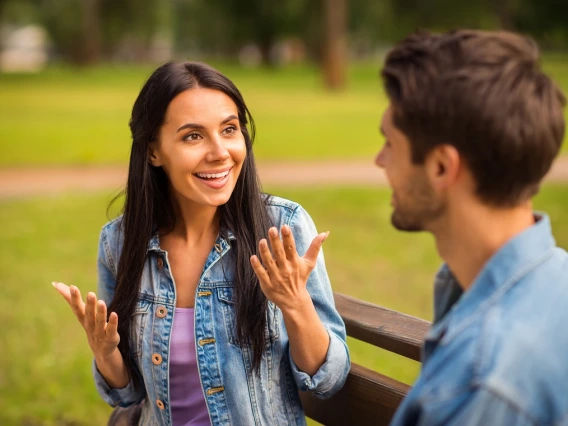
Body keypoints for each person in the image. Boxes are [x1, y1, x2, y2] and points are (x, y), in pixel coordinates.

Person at [53, 61, 349, 426]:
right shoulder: (121, 241)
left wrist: (296, 304)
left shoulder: (281, 229)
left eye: (229, 129)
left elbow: (328, 379)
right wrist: (105, 352)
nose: (220, 152)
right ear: (153, 151)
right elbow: (128, 395)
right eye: (193, 136)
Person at [375, 30, 568, 425]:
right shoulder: (555, 278)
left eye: (390, 143)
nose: (379, 160)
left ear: (442, 167)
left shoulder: (483, 380)